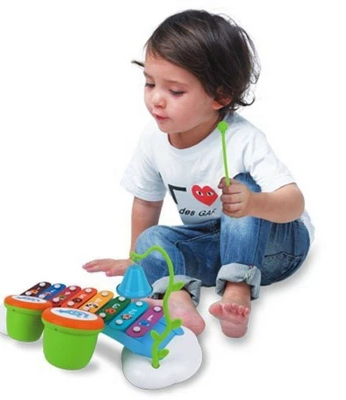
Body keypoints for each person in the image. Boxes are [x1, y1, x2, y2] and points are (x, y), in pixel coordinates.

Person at [83, 9, 314, 338]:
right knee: (152, 241)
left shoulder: (242, 139)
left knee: (244, 185)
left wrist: (253, 204)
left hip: (278, 248)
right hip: (215, 248)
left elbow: (293, 202)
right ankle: (178, 299)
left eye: (175, 91)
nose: (156, 99)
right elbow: (146, 202)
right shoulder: (153, 139)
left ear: (220, 96)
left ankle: (237, 289)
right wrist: (138, 261)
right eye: (150, 83)